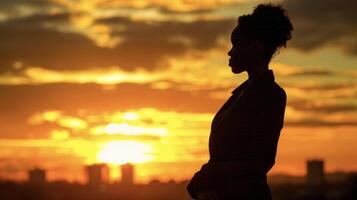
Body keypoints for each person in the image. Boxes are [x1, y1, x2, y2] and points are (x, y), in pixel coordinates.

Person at [186, 3, 293, 200]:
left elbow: (259, 161)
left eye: (236, 43)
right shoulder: (241, 94)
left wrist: (204, 176)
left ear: (256, 46)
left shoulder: (271, 95)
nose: (230, 52)